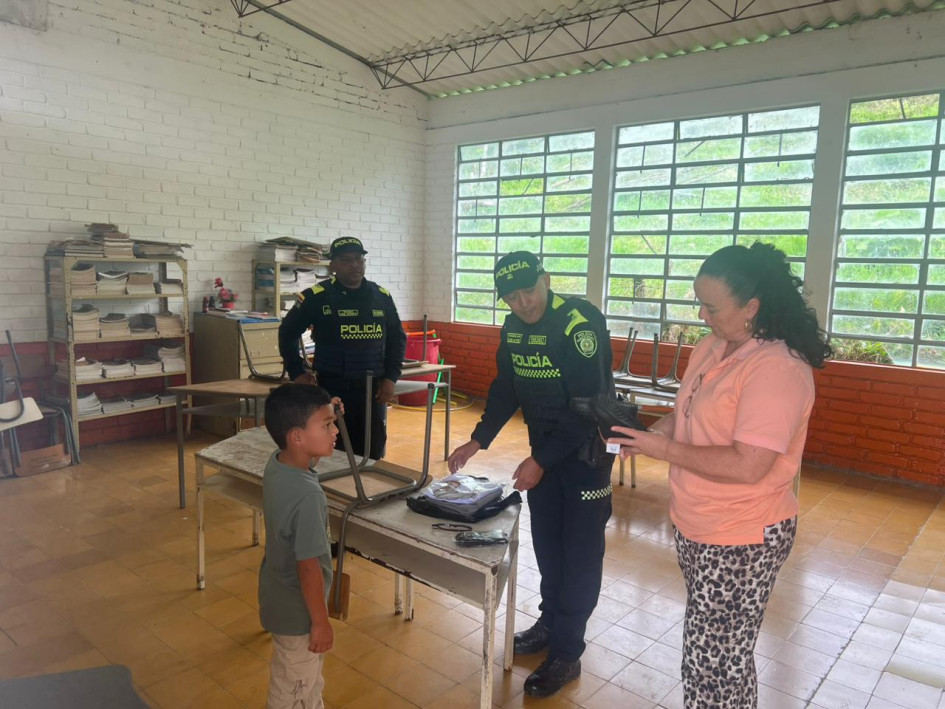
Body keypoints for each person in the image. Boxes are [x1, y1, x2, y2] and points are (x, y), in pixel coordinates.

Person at [608, 243, 831, 709]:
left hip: (743, 535)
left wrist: (662, 450)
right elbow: (687, 413)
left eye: (712, 307)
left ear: (751, 307)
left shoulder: (777, 368)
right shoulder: (712, 346)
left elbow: (750, 464)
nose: (702, 315)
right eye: (700, 304)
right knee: (714, 656)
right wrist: (648, 435)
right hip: (698, 522)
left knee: (715, 662)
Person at [447, 251, 615, 698]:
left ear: (546, 280)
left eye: (528, 291)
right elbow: (507, 387)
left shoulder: (579, 325)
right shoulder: (513, 328)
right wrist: (478, 440)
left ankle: (567, 652)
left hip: (584, 458)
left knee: (579, 556)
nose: (523, 303)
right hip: (545, 453)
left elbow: (587, 409)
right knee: (549, 546)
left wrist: (539, 461)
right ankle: (549, 623)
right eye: (511, 298)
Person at [279, 236, 407, 459]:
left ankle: (368, 482)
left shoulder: (381, 296)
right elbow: (287, 333)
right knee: (333, 449)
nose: (354, 265)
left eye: (359, 259)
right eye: (346, 260)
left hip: (373, 389)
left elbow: (397, 338)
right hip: (333, 387)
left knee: (372, 450)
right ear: (333, 266)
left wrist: (391, 378)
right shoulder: (316, 297)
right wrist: (297, 372)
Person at [259, 383, 339, 709]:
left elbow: (306, 458)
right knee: (293, 691)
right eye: (327, 425)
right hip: (300, 615)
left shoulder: (279, 464)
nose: (335, 431)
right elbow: (308, 567)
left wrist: (324, 411)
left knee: (306, 685)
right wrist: (320, 623)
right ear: (297, 437)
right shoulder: (308, 496)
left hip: (280, 597)